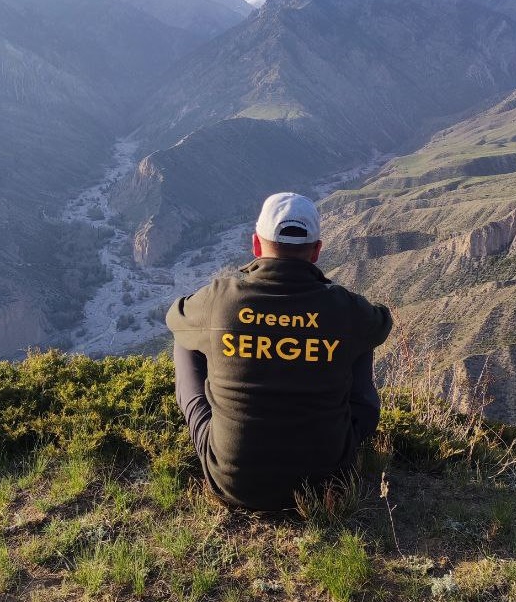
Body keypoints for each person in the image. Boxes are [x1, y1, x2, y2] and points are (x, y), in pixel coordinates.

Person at [166, 192, 392, 510]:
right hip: (329, 481)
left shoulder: (221, 299)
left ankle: (227, 431)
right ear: (316, 251)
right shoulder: (344, 308)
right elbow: (381, 321)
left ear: (256, 245)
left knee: (187, 335)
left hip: (233, 482)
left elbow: (174, 316)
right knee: (358, 336)